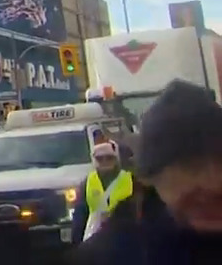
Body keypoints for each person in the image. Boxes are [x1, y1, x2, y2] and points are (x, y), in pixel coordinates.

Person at [69, 80, 222, 264]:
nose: (213, 182)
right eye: (192, 167)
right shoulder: (111, 253)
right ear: (150, 178)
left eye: (220, 162)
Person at [71, 141, 133, 243]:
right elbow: (80, 214)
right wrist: (77, 243)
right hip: (95, 237)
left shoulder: (130, 180)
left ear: (116, 159)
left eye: (109, 158)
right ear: (95, 161)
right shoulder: (88, 182)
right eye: (100, 159)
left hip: (125, 237)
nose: (105, 162)